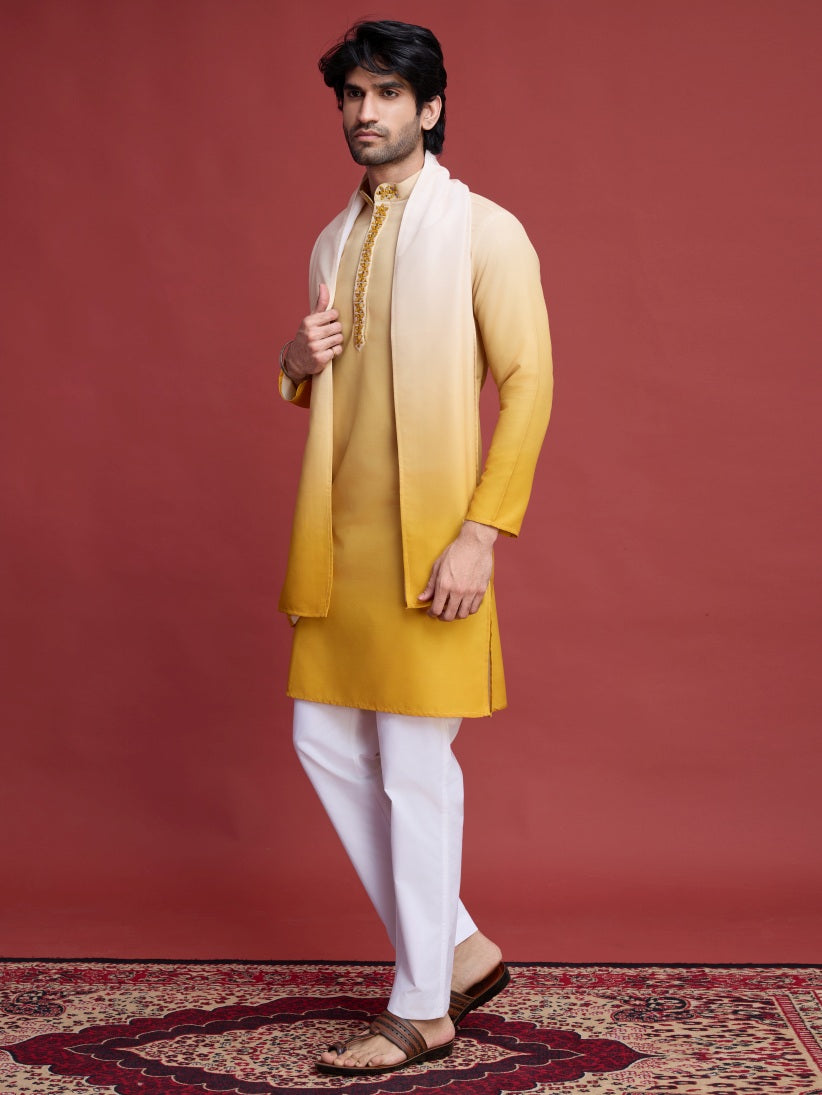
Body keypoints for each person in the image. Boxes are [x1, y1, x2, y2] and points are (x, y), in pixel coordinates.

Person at [277, 19, 553, 1076]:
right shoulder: (329, 241)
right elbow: (332, 393)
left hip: (434, 542)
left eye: (388, 93)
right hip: (340, 541)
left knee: (414, 767)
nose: (366, 112)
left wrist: (481, 534)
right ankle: (459, 947)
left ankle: (423, 1004)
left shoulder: (486, 230)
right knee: (320, 735)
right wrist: (294, 361)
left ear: (430, 108)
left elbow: (530, 383)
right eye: (353, 94)